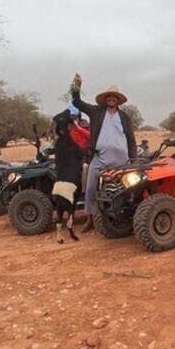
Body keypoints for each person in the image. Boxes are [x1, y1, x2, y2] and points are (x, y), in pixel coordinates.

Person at [69, 74, 137, 232]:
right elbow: (77, 103)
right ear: (106, 99)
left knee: (126, 188)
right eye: (109, 96)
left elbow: (131, 140)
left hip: (121, 160)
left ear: (118, 100)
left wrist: (133, 160)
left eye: (114, 97)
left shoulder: (125, 117)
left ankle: (126, 218)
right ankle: (90, 218)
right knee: (91, 186)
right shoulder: (96, 112)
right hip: (100, 158)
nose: (111, 98)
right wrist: (76, 89)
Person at [51, 107, 89, 243]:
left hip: (84, 159)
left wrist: (78, 127)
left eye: (75, 118)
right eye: (71, 120)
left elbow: (89, 139)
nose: (73, 121)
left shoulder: (83, 129)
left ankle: (85, 192)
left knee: (85, 168)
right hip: (72, 164)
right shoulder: (66, 135)